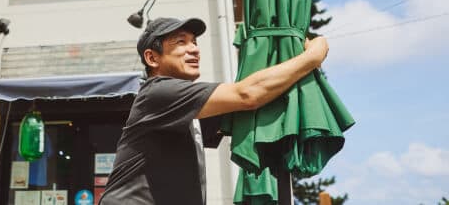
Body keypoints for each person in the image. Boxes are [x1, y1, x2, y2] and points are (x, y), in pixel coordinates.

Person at [98, 17, 329, 205]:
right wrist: (311, 57)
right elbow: (247, 95)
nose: (194, 50)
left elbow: (249, 104)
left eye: (194, 42)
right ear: (152, 58)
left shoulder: (186, 106)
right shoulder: (158, 93)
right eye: (181, 42)